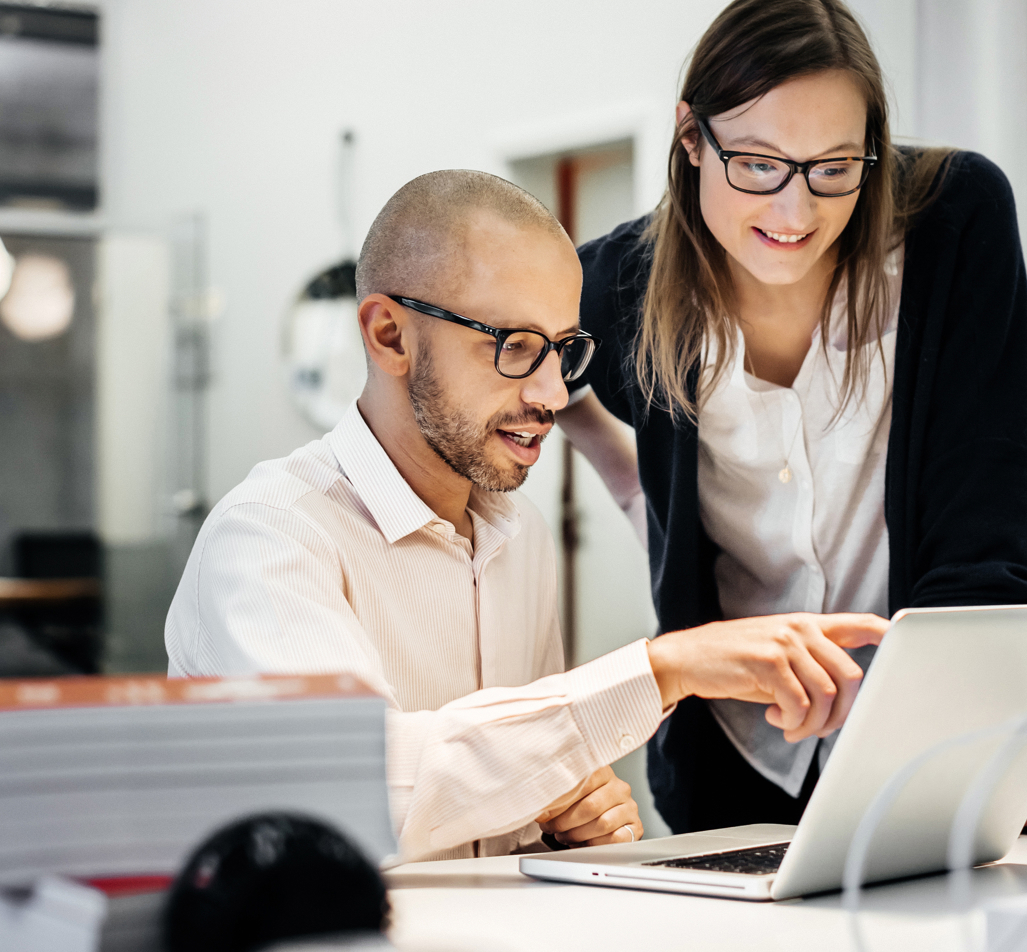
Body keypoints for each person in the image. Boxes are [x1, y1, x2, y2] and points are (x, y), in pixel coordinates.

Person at [164, 170, 889, 864]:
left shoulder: (521, 538)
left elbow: (499, 798)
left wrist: (564, 820)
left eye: (564, 350)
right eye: (514, 347)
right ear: (389, 336)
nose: (550, 393)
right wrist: (663, 669)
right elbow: (363, 800)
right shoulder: (269, 537)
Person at [556, 0, 1027, 844]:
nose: (796, 213)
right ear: (691, 137)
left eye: (835, 169)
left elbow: (985, 535)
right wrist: (638, 489)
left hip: (915, 750)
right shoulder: (620, 281)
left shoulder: (952, 224)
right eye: (757, 165)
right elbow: (521, 367)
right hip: (728, 761)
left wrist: (972, 770)